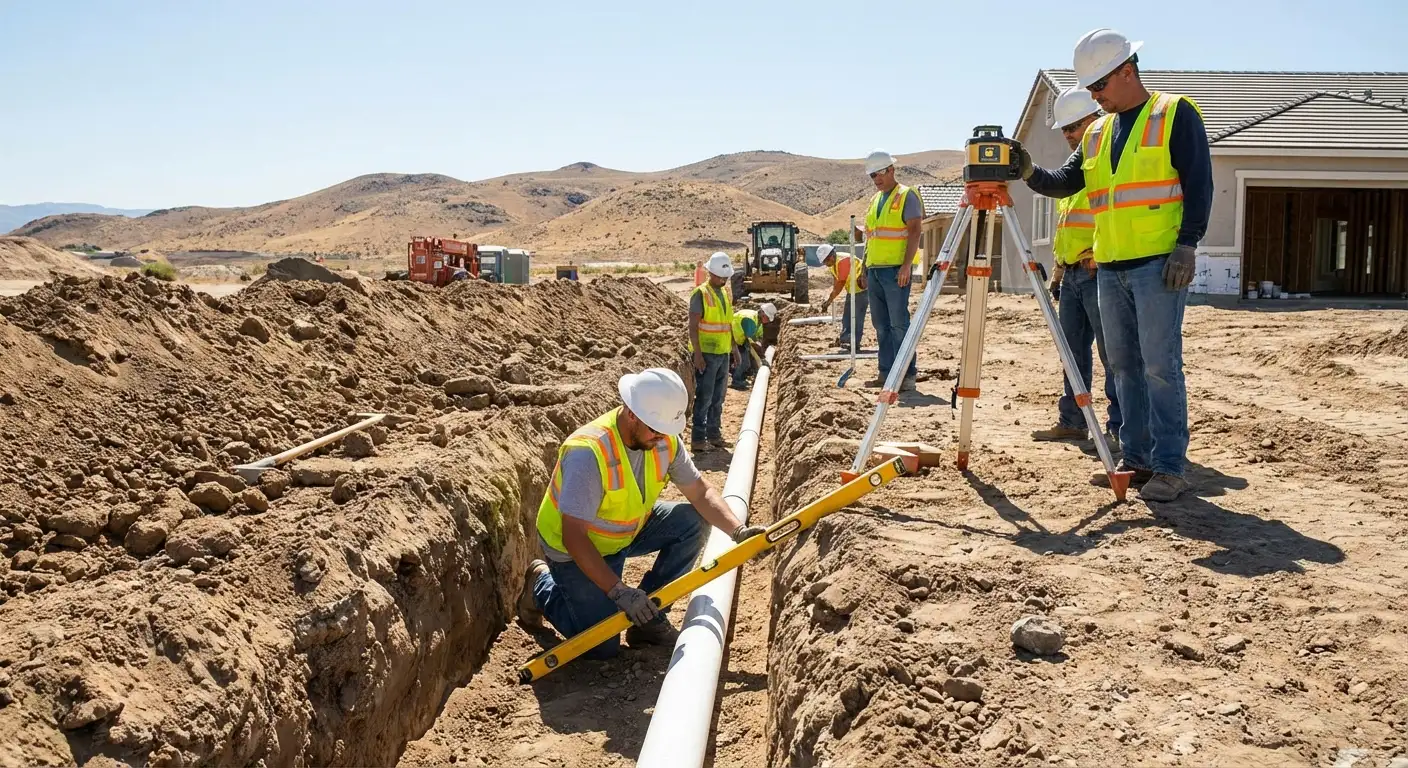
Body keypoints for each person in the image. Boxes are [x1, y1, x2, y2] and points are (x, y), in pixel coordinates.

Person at [1010, 28, 1212, 502]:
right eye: (1091, 89)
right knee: (1123, 366)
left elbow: (1199, 184)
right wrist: (1027, 172)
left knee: (1161, 367)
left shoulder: (1173, 114)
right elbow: (1066, 182)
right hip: (1111, 266)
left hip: (1159, 263)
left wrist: (1188, 245)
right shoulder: (1099, 132)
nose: (1094, 97)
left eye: (1099, 87)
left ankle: (1169, 466)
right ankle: (1136, 460)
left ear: (1127, 71)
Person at [517, 368, 766, 657]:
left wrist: (738, 530)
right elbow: (575, 537)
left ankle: (649, 619)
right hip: (574, 549)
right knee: (602, 648)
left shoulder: (663, 438)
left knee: (692, 523)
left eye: (665, 431)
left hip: (627, 530)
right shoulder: (589, 453)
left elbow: (700, 492)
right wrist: (620, 592)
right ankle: (540, 585)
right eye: (655, 430)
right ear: (632, 413)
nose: (661, 439)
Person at [1029, 87, 1122, 454]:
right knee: (1072, 353)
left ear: (1095, 120)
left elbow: (1115, 216)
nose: (1069, 135)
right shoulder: (1077, 172)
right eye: (1065, 129)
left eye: (1074, 126)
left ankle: (1119, 428)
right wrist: (1057, 271)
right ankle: (1073, 422)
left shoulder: (1107, 165)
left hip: (1098, 271)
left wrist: (1101, 254)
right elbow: (1067, 229)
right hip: (1071, 275)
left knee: (1113, 355)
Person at [860, 150, 922, 391]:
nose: (876, 179)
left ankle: (906, 375)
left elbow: (915, 231)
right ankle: (885, 373)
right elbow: (871, 237)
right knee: (880, 325)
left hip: (896, 270)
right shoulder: (875, 200)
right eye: (872, 175)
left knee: (899, 324)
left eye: (879, 174)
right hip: (875, 270)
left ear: (891, 170)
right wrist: (865, 267)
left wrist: (907, 265)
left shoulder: (907, 196)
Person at [687, 252, 739, 451]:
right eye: (720, 276)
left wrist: (734, 348)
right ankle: (699, 439)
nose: (724, 280)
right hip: (706, 355)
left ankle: (714, 434)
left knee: (718, 397)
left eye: (726, 277)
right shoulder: (701, 293)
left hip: (723, 352)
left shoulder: (724, 293)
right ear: (710, 273)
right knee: (704, 397)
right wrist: (698, 354)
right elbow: (693, 326)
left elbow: (727, 324)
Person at [817, 243, 868, 351]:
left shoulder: (843, 261)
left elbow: (840, 284)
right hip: (853, 290)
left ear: (831, 256)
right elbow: (836, 282)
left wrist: (830, 300)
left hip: (861, 289)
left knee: (857, 317)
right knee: (847, 315)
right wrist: (829, 299)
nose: (825, 264)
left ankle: (854, 343)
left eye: (826, 261)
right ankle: (846, 340)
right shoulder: (833, 265)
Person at [729, 302, 776, 390]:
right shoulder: (749, 319)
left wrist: (759, 345)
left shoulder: (758, 322)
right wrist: (761, 358)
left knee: (746, 362)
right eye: (768, 318)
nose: (768, 321)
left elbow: (758, 337)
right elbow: (751, 342)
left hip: (739, 340)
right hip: (731, 339)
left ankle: (738, 374)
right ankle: (736, 381)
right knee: (744, 362)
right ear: (763, 314)